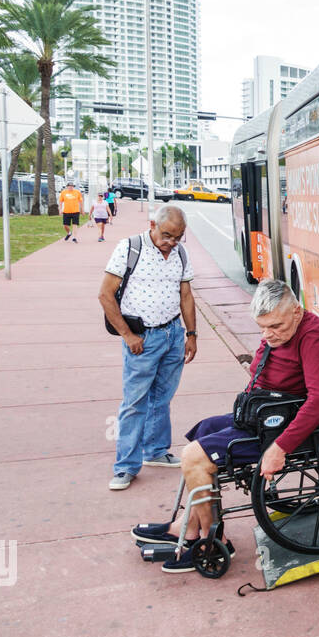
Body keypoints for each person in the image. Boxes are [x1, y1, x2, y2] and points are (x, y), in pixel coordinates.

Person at [130, 279, 319, 573]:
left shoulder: (312, 337)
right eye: (262, 327)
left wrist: (280, 448)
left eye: (275, 326)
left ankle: (215, 539)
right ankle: (187, 526)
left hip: (279, 426)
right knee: (202, 431)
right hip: (261, 412)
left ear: (297, 312)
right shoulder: (279, 332)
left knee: (194, 456)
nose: (268, 334)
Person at [99, 204, 197, 491]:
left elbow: (186, 294)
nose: (172, 242)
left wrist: (191, 334)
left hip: (172, 334)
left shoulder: (180, 252)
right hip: (142, 339)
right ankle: (126, 467)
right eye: (167, 235)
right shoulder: (130, 248)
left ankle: (155, 450)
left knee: (162, 397)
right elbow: (105, 295)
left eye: (178, 236)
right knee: (135, 403)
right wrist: (128, 335)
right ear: (153, 225)